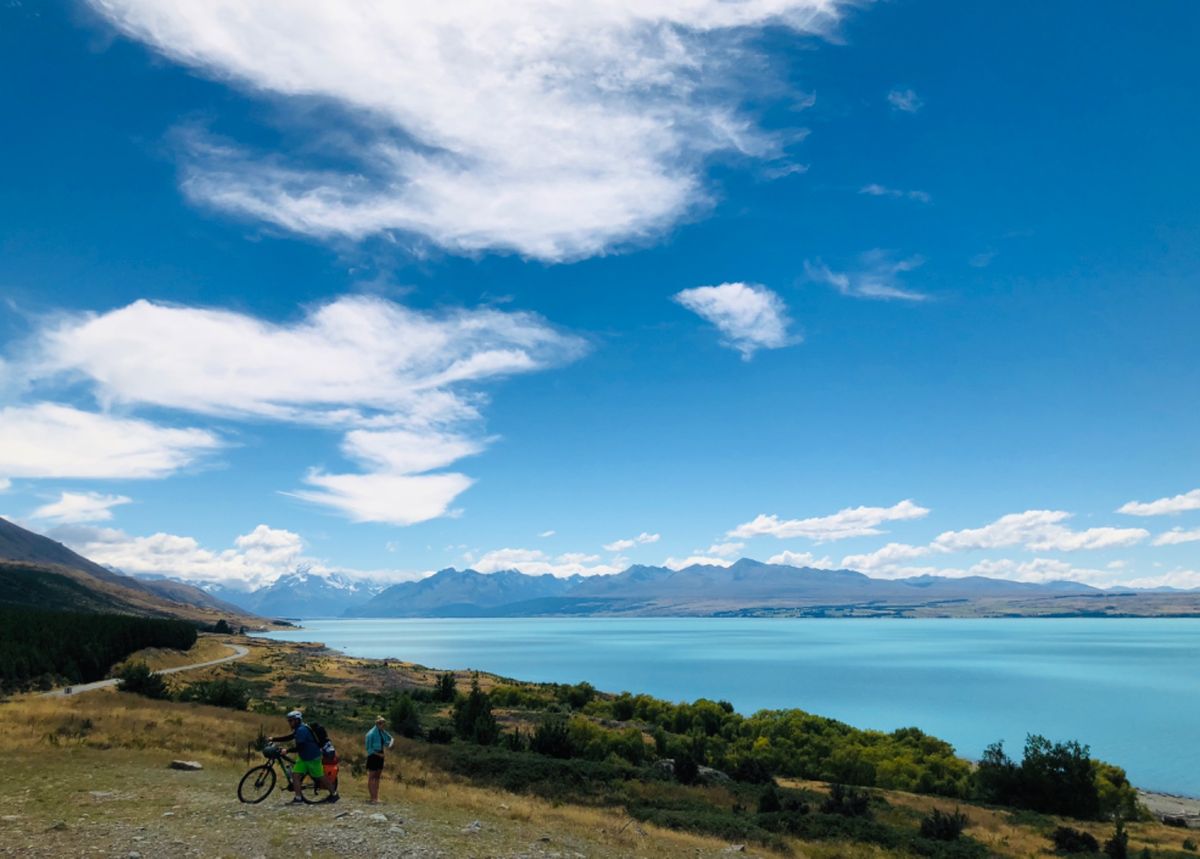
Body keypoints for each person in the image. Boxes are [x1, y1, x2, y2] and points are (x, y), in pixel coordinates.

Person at [271, 710, 338, 804]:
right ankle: (298, 799)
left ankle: (334, 794)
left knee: (320, 777)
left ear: (297, 720)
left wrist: (287, 750)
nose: (290, 723)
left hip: (313, 758)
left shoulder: (302, 730)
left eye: (291, 720)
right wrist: (274, 739)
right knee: (295, 775)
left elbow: (300, 747)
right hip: (303, 757)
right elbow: (289, 737)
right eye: (289, 721)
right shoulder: (299, 729)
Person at [364, 715, 394, 803]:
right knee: (372, 777)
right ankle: (372, 797)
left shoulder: (382, 732)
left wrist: (390, 744)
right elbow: (369, 749)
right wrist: (378, 754)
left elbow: (386, 741)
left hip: (381, 754)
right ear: (378, 724)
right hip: (373, 756)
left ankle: (376, 797)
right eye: (383, 725)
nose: (384, 727)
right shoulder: (371, 734)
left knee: (377, 777)